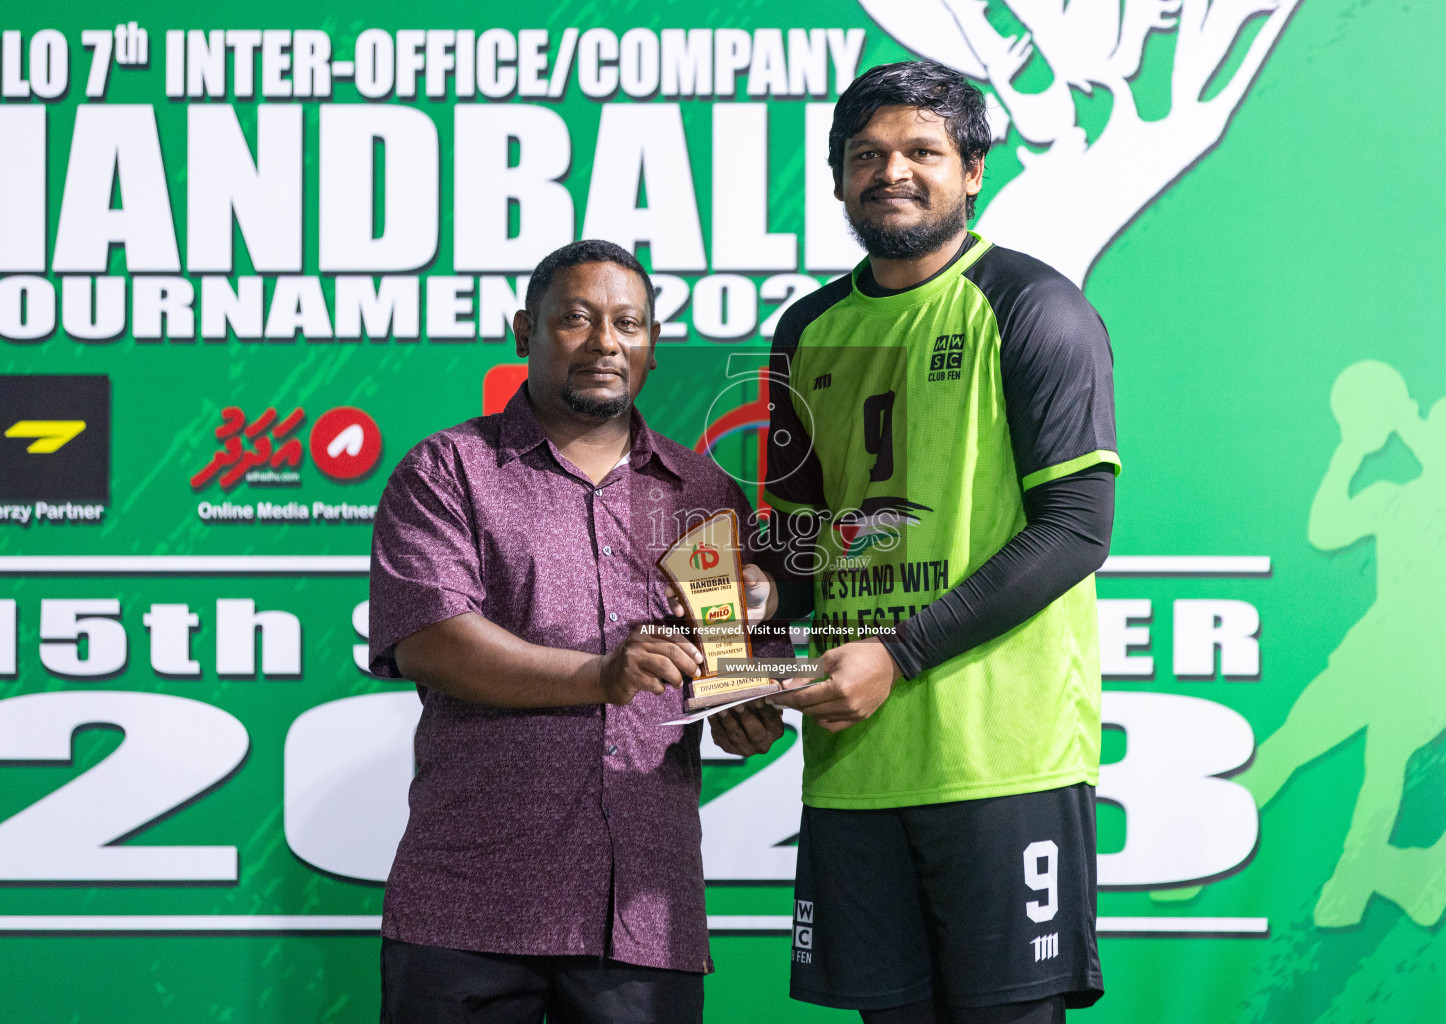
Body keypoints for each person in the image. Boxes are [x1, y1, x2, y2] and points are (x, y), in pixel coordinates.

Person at [710, 61, 1119, 1023]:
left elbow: (1077, 529)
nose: (892, 172)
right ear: (839, 176)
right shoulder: (807, 328)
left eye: (922, 151)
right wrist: (741, 665)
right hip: (856, 764)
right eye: (867, 155)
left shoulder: (1033, 307)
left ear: (972, 169)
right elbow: (798, 549)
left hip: (1000, 760)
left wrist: (898, 652)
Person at [367, 239, 781, 1024]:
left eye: (629, 323)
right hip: (470, 906)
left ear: (653, 350)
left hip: (642, 917)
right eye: (576, 319)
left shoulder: (705, 491)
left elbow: (729, 656)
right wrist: (601, 676)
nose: (604, 342)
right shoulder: (448, 470)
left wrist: (742, 703)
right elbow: (432, 638)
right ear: (525, 331)